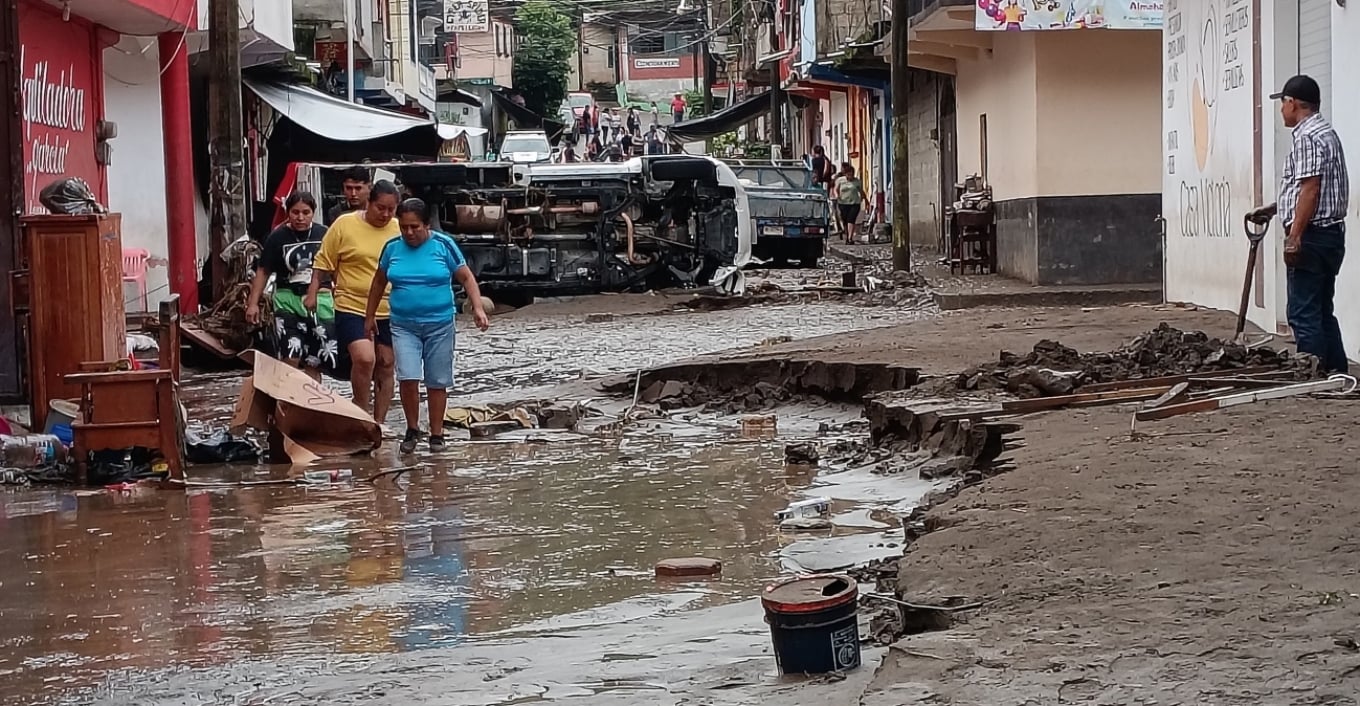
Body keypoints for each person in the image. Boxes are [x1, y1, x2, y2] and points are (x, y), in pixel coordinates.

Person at [365, 198, 490, 454]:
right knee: (408, 377)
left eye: (415, 227)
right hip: (402, 324)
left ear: (426, 225)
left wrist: (477, 307)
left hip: (440, 324)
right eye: (404, 228)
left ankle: (436, 434)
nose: (409, 233)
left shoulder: (444, 245)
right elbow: (378, 283)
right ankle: (412, 429)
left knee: (437, 380)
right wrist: (369, 317)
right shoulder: (392, 248)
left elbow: (466, 276)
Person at [1248, 74, 1350, 374]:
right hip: (1329, 234)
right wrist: (1275, 209)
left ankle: (1313, 376)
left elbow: (1311, 189)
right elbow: (1312, 188)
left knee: (1302, 312)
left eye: (1283, 104)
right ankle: (1336, 373)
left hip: (1313, 236)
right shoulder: (1326, 133)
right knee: (1321, 310)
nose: (1281, 111)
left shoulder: (1306, 137)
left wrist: (1295, 236)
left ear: (1292, 103)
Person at [307, 179, 402, 423]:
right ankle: (360, 413)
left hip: (390, 307)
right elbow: (323, 262)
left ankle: (379, 423)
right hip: (351, 304)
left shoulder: (399, 229)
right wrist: (313, 292)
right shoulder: (344, 225)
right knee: (364, 358)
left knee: (386, 363)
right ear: (369, 203)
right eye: (381, 207)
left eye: (391, 209)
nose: (386, 214)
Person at [246, 192, 337, 379]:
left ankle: (312, 404)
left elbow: (337, 266)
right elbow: (263, 271)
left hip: (320, 300)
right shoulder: (277, 237)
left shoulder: (325, 234)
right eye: (295, 212)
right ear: (288, 212)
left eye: (306, 212)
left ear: (313, 212)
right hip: (287, 299)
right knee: (290, 356)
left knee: (315, 360)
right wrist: (253, 303)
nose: (300, 217)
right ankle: (287, 402)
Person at [833, 163, 867, 245]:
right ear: (846, 174)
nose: (850, 176)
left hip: (854, 203)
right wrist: (837, 195)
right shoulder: (840, 180)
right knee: (845, 221)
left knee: (851, 220)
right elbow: (835, 189)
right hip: (843, 203)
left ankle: (850, 238)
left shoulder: (857, 181)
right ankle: (847, 235)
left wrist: (865, 199)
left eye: (852, 175)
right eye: (848, 175)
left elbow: (861, 191)